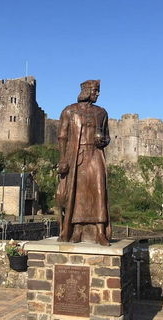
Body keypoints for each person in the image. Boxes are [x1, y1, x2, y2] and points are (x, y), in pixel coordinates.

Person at [56, 80, 111, 246]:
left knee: (99, 191)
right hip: (77, 156)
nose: (98, 93)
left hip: (95, 154)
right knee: (78, 193)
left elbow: (107, 136)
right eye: (95, 90)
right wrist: (63, 159)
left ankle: (100, 231)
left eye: (98, 90)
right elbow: (62, 136)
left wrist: (103, 141)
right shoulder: (69, 111)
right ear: (86, 91)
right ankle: (77, 230)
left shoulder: (102, 113)